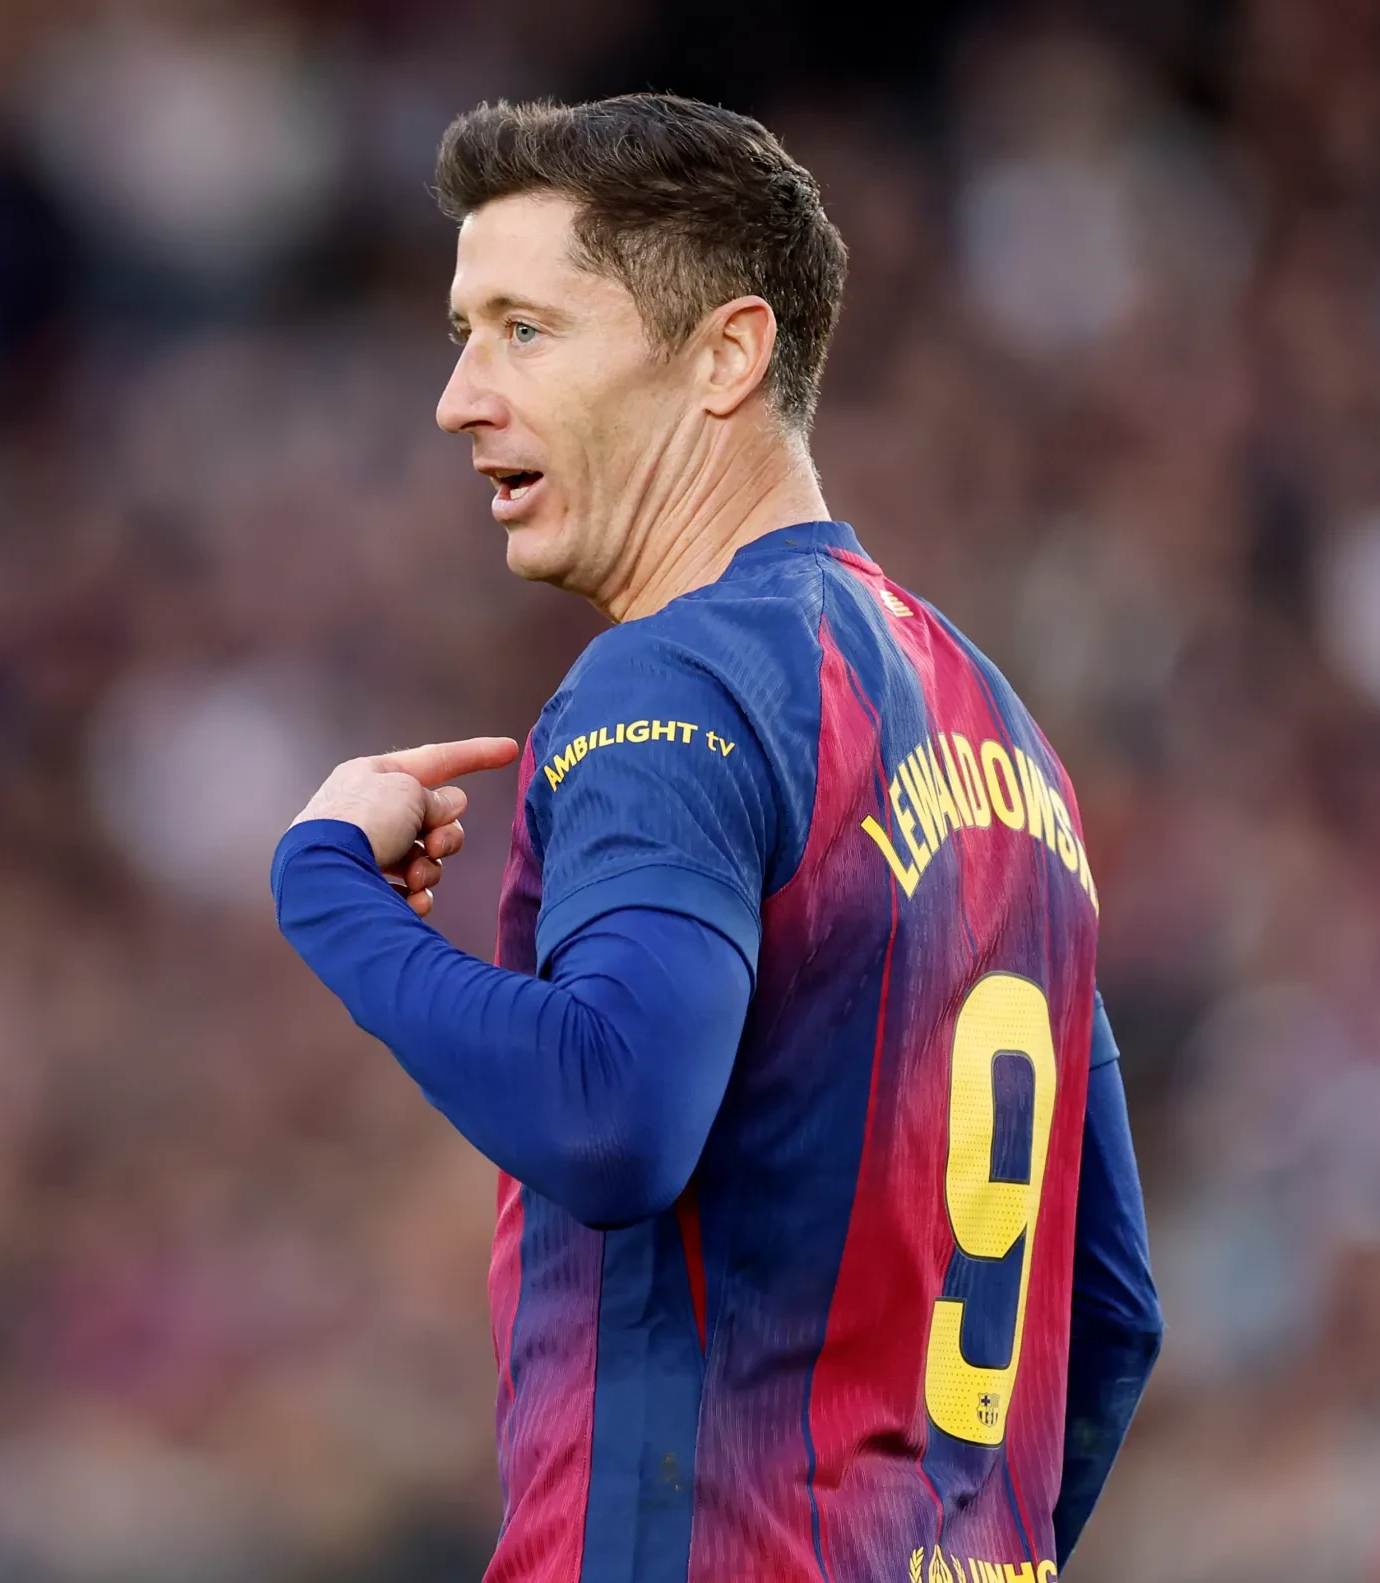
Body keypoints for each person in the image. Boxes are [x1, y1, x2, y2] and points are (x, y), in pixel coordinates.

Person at [270, 95, 1162, 1583]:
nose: (460, 399)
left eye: (526, 331)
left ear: (726, 356)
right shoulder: (1007, 740)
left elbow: (610, 1114)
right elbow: (1113, 1310)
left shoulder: (677, 680)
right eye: (463, 335)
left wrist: (330, 893)